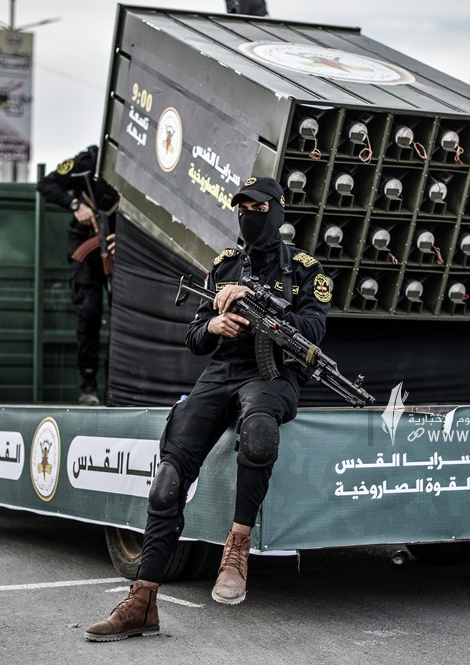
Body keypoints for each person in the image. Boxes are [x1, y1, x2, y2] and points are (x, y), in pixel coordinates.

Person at [85, 176, 331, 642]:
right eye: (241, 208)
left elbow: (314, 330)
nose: (247, 216)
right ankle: (143, 600)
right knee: (167, 481)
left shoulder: (305, 269)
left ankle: (236, 547)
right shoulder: (224, 265)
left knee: (258, 433)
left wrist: (258, 303)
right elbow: (194, 338)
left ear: (277, 212)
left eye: (258, 209)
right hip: (221, 372)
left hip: (271, 374)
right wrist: (215, 323)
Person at [36, 145, 120, 406]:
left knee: (123, 317)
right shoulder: (88, 162)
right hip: (87, 246)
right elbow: (46, 184)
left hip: (123, 248)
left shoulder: (140, 166)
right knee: (90, 311)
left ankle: (117, 387)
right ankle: (88, 385)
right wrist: (76, 205)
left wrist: (127, 239)